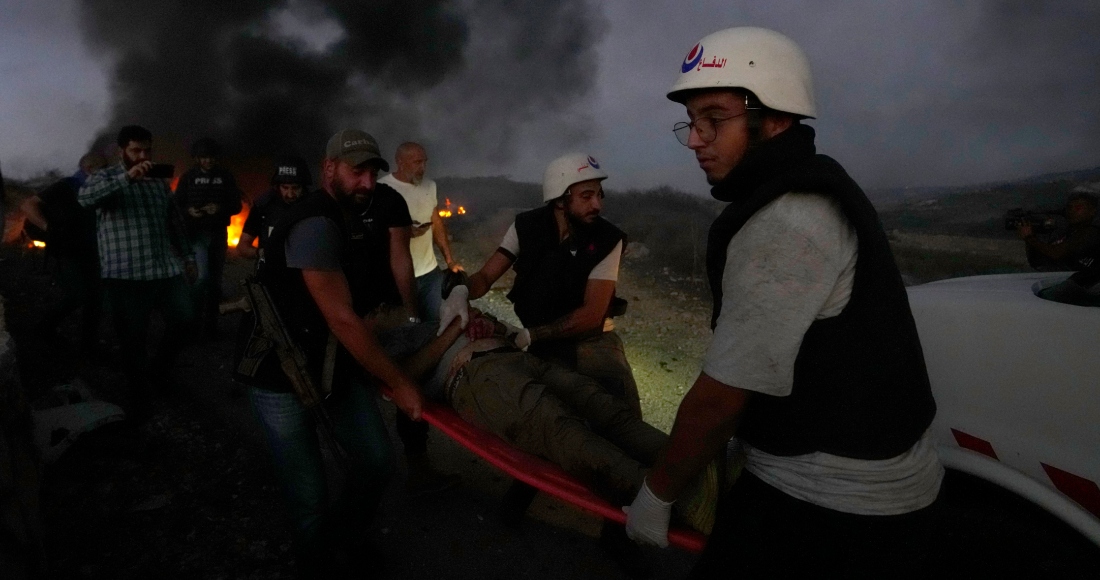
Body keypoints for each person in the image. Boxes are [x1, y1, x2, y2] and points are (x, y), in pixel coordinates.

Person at [623, 28, 945, 577]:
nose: (696, 140)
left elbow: (720, 397)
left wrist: (657, 493)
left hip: (831, 500)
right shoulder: (811, 187)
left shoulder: (787, 222)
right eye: (692, 123)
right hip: (870, 482)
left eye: (714, 120)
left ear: (773, 118)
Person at [380, 311, 716, 578]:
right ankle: (682, 502)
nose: (388, 310)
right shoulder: (394, 339)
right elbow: (400, 378)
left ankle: (705, 473)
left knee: (610, 413)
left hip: (516, 357)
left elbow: (495, 323)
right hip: (476, 376)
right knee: (563, 433)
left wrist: (487, 323)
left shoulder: (437, 312)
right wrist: (454, 330)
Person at [249, 128, 425, 577]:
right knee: (308, 492)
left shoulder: (345, 216)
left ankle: (343, 538)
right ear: (329, 168)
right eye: (356, 171)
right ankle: (317, 562)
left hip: (331, 366)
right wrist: (401, 383)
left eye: (372, 173)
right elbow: (342, 319)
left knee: (376, 461)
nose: (367, 183)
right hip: (281, 374)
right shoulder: (314, 223)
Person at [450, 152, 640, 417]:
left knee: (620, 419)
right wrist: (461, 290)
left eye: (599, 195)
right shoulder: (526, 226)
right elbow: (484, 277)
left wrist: (531, 336)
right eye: (586, 196)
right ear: (561, 199)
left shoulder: (607, 238)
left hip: (591, 344)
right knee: (548, 418)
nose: (597, 204)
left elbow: (592, 314)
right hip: (542, 343)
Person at [78, 125, 198, 423]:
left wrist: (188, 255)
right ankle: (139, 403)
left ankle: (157, 372)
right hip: (126, 275)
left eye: (147, 150)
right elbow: (86, 198)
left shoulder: (158, 180)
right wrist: (127, 178)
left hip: (164, 269)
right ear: (122, 152)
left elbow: (174, 221)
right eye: (136, 151)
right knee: (133, 339)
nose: (143, 156)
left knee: (185, 320)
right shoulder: (105, 177)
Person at [20, 152, 108, 353]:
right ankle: (44, 329)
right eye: (103, 169)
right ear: (89, 169)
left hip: (93, 251)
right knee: (77, 295)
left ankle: (88, 346)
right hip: (68, 250)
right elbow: (28, 204)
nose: (106, 173)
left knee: (95, 298)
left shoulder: (100, 189)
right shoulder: (66, 186)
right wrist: (47, 227)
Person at [379, 142, 463, 322]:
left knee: (438, 324)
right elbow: (373, 233)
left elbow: (437, 223)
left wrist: (449, 260)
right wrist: (403, 232)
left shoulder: (430, 186)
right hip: (398, 279)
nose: (422, 168)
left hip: (431, 274)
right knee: (408, 329)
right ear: (400, 162)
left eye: (424, 162)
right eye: (417, 162)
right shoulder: (382, 189)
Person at [174, 137, 243, 338]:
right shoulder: (188, 178)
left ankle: (211, 327)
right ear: (197, 158)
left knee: (214, 283)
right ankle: (193, 325)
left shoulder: (226, 177)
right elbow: (178, 204)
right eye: (203, 157)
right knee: (200, 279)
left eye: (211, 157)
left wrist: (220, 209)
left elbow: (236, 205)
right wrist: (189, 212)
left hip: (218, 234)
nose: (208, 161)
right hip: (196, 235)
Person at [1020, 192, 1100, 306]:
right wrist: (1031, 238)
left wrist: (1030, 238)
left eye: (1078, 207)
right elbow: (1038, 263)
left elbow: (1056, 253)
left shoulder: (1092, 233)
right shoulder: (1070, 234)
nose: (1071, 211)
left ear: (1093, 211)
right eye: (1069, 207)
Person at [237, 155, 311, 261]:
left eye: (295, 188)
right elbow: (242, 247)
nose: (290, 194)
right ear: (277, 186)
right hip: (270, 273)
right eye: (285, 188)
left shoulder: (313, 207)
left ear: (303, 186)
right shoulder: (263, 206)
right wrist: (261, 253)